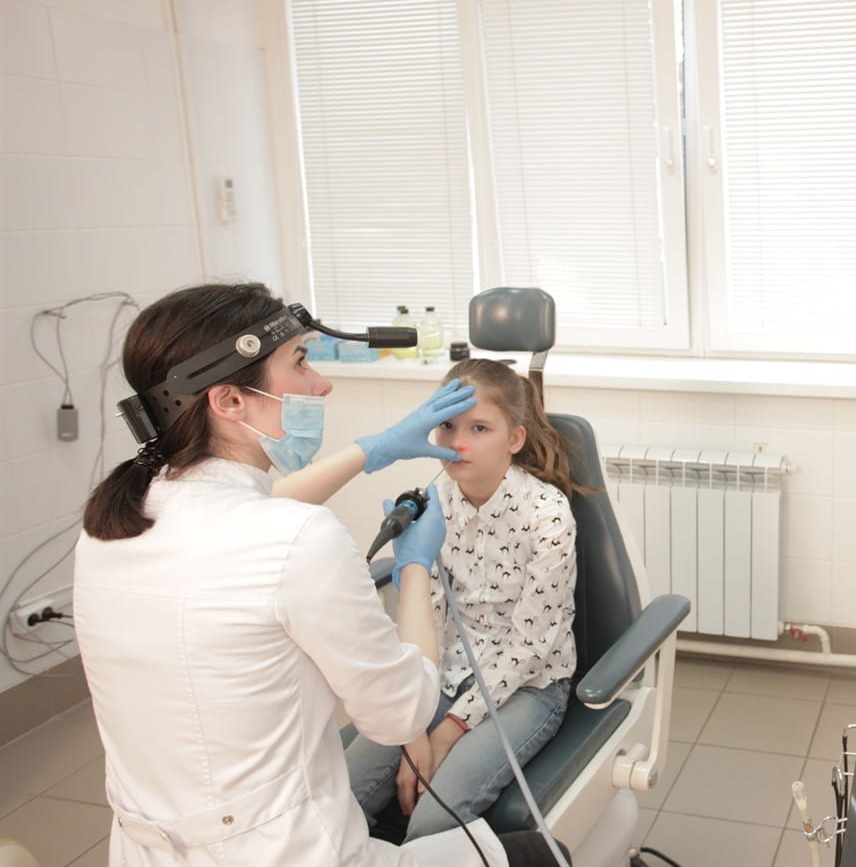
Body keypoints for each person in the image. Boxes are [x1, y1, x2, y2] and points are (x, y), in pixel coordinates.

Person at [71, 282, 537, 866]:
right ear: (229, 400)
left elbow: (244, 519)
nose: (321, 384)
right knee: (539, 854)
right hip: (289, 853)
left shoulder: (111, 525)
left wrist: (375, 449)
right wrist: (416, 568)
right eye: (299, 362)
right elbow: (403, 713)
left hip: (148, 853)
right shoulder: (299, 539)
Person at [346, 359, 578, 842]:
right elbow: (424, 617)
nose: (457, 442)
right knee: (338, 797)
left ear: (514, 438)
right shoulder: (432, 505)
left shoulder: (548, 516)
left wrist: (448, 729)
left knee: (433, 824)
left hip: (527, 686)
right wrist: (411, 726)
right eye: (447, 426)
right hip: (443, 673)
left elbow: (532, 646)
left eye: (479, 428)